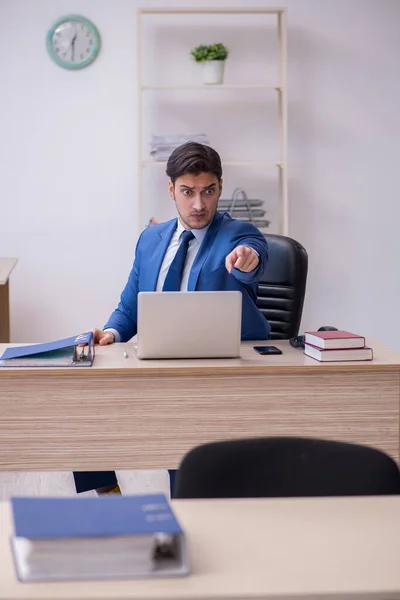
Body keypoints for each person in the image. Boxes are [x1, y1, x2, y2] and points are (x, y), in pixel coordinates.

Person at [73, 141, 271, 496]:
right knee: (85, 396)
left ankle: (188, 510)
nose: (199, 204)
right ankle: (109, 496)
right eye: (188, 192)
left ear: (220, 188)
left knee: (184, 434)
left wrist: (247, 259)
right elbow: (130, 307)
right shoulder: (150, 239)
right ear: (171, 189)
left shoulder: (238, 235)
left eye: (208, 191)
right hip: (158, 364)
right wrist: (113, 332)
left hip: (221, 371)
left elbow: (253, 257)